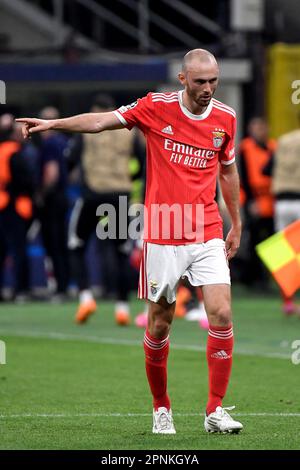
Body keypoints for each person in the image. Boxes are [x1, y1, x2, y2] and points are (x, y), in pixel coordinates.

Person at [17, 48, 243, 435]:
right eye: (201, 81)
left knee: (221, 314)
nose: (208, 89)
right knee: (160, 323)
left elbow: (228, 170)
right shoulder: (155, 107)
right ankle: (161, 407)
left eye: (214, 81)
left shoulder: (226, 118)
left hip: (205, 228)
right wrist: (54, 125)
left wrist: (235, 223)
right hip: (162, 231)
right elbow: (102, 121)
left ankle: (215, 409)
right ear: (183, 79)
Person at [65, 94, 138, 325]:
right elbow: (144, 160)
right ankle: (122, 308)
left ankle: (86, 297)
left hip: (92, 195)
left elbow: (70, 159)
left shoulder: (89, 129)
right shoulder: (128, 130)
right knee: (121, 252)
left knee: (76, 244)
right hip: (119, 194)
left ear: (95, 109)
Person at [263, 127, 300, 315]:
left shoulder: (283, 140)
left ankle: (287, 301)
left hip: (281, 203)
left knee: (284, 254)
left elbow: (266, 169)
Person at [238, 117, 276, 289]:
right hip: (253, 199)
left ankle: (268, 277)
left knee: (272, 240)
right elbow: (243, 177)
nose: (259, 131)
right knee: (253, 239)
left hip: (271, 200)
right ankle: (252, 278)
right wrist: (250, 202)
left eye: (261, 128)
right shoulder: (246, 148)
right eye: (255, 128)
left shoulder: (273, 147)